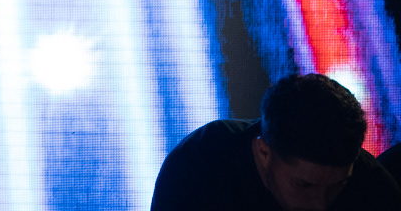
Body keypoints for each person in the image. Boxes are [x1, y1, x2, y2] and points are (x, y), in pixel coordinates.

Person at [150, 73, 401, 210]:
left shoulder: (373, 187)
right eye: (304, 185)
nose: (320, 205)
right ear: (264, 152)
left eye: (338, 186)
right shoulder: (199, 167)